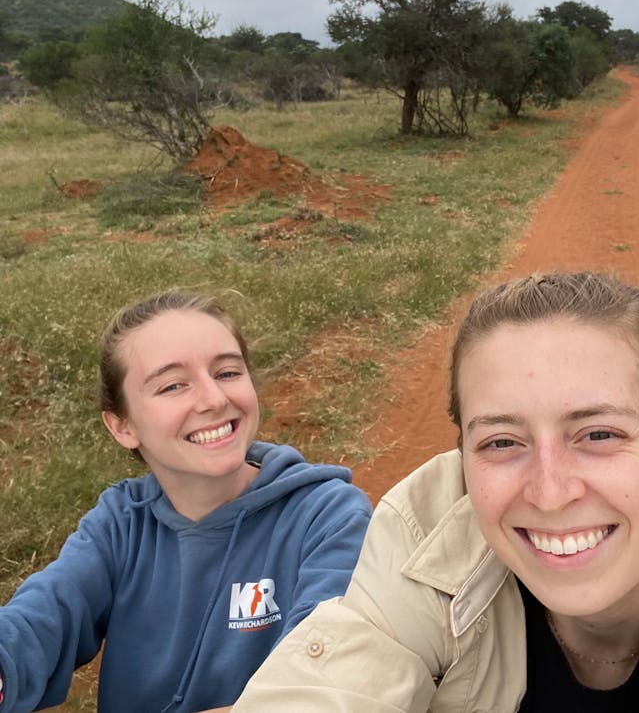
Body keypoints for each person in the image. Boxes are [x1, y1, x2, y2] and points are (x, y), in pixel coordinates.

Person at [232, 271, 639, 712]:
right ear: (463, 459)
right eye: (502, 442)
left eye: (600, 435)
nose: (549, 494)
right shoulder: (427, 530)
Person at [0, 291, 372, 713]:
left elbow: (324, 686)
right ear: (122, 426)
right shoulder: (121, 524)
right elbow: (39, 621)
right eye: (173, 385)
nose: (214, 399)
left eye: (228, 372)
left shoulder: (329, 517)